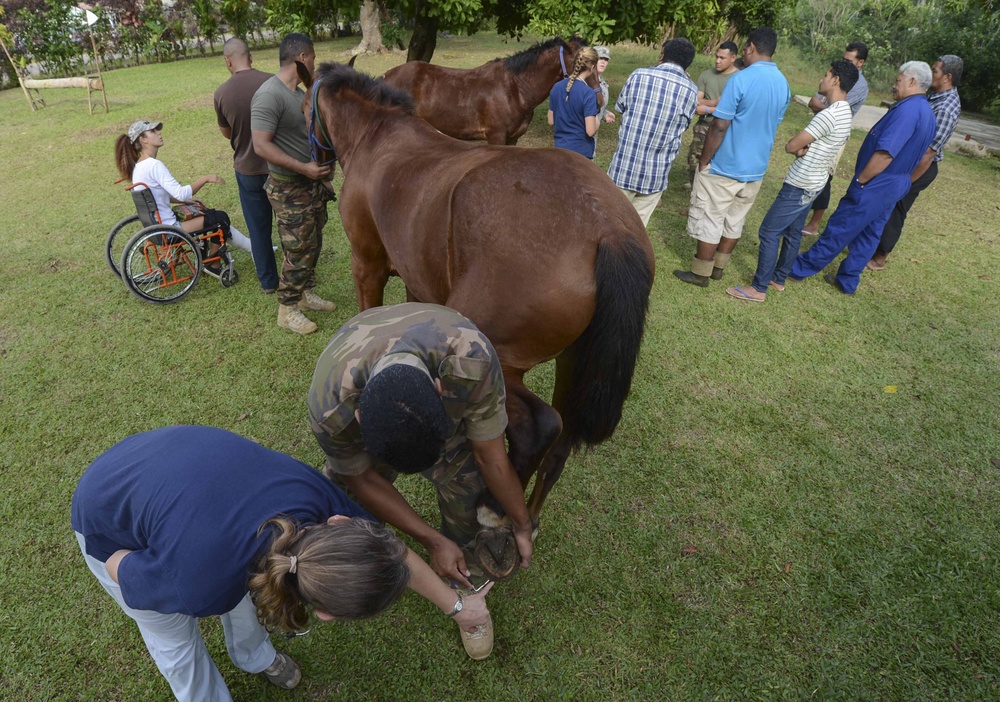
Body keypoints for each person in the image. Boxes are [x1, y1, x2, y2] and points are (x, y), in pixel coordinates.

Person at [72, 426, 494, 702]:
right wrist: (130, 554)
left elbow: (391, 555)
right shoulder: (197, 585)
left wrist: (458, 607)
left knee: (237, 590)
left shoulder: (321, 506)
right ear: (325, 614)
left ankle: (254, 657)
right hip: (108, 515)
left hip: (171, 460)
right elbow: (120, 568)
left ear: (341, 523)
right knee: (175, 640)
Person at [308, 303, 533, 660]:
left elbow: (490, 456)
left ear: (441, 391)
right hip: (370, 420)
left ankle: (468, 596)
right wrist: (431, 540)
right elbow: (363, 477)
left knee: (474, 501)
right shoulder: (331, 407)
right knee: (343, 507)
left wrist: (522, 524)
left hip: (440, 399)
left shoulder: (471, 358)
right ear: (360, 416)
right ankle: (370, 553)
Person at [789, 61, 936, 294]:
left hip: (878, 182)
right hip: (895, 182)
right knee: (870, 232)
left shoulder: (908, 111)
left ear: (911, 81)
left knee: (842, 226)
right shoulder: (926, 110)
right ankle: (847, 279)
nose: (893, 85)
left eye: (898, 80)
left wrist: (862, 180)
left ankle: (799, 268)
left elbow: (886, 153)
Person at [725, 60, 859, 302]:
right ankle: (779, 278)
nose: (822, 78)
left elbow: (792, 145)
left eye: (826, 74)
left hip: (800, 183)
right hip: (815, 182)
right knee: (793, 231)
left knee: (768, 231)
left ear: (836, 80)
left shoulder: (828, 115)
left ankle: (759, 287)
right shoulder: (845, 112)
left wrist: (799, 149)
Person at [673, 28, 791, 287]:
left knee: (711, 217)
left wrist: (705, 159)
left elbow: (719, 125)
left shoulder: (741, 79)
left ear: (749, 48)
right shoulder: (783, 83)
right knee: (735, 220)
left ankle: (701, 272)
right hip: (756, 168)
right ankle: (719, 268)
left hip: (726, 165)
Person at [251, 33, 337, 335]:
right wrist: (304, 167)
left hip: (310, 184)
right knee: (298, 247)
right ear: (303, 57)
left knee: (313, 242)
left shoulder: (300, 92)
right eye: (313, 57)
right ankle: (287, 308)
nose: (314, 62)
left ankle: (305, 292)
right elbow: (261, 146)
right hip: (289, 187)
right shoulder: (269, 94)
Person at [113, 120, 251, 276]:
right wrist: (205, 178)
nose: (159, 133)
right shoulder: (154, 165)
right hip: (170, 229)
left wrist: (184, 202)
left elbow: (157, 196)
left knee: (208, 214)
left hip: (156, 228)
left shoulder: (139, 166)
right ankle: (214, 263)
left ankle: (252, 248)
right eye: (153, 131)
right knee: (220, 218)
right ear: (143, 139)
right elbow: (181, 192)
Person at [868, 54, 963, 270]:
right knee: (886, 202)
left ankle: (880, 256)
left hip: (921, 166)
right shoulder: (934, 96)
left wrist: (907, 181)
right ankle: (870, 244)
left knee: (897, 206)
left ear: (947, 77)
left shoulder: (946, 107)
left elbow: (929, 153)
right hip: (909, 160)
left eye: (935, 70)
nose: (931, 74)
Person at [607, 38, 698, 227]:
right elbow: (684, 125)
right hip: (654, 177)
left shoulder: (638, 75)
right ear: (688, 63)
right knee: (635, 234)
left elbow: (620, 107)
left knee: (609, 227)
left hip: (622, 170)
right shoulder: (691, 91)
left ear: (662, 56)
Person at [215, 37, 278, 293]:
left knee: (258, 230)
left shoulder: (221, 93)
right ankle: (301, 276)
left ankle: (268, 282)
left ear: (227, 61)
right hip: (279, 167)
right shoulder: (273, 82)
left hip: (247, 169)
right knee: (291, 226)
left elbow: (227, 133)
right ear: (250, 57)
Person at [801, 41, 871, 236]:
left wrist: (826, 108)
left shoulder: (860, 85)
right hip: (818, 128)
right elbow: (814, 101)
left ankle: (814, 223)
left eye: (849, 60)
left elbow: (835, 109)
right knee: (809, 167)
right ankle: (802, 213)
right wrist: (828, 108)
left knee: (825, 176)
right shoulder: (838, 75)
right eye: (843, 59)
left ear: (861, 63)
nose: (844, 62)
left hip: (836, 135)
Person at [686, 41, 740, 188]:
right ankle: (694, 191)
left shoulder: (739, 79)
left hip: (727, 127)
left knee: (717, 164)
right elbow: (696, 102)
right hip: (703, 126)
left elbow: (736, 109)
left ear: (733, 57)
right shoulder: (706, 75)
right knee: (694, 160)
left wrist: (707, 108)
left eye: (722, 58)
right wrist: (716, 102)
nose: (717, 61)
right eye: (716, 57)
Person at [547, 46, 600, 159]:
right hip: (580, 155)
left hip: (560, 151)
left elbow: (551, 121)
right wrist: (597, 122)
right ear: (593, 67)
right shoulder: (588, 93)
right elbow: (590, 131)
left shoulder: (557, 87)